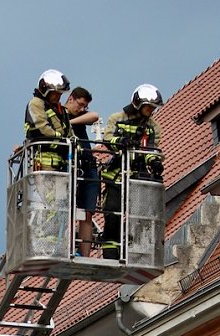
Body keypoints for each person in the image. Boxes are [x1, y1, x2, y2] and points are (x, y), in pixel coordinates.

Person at [101, 83, 164, 259]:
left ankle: (134, 252)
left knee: (138, 217)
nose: (151, 110)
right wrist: (121, 141)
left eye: (153, 107)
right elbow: (107, 139)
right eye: (148, 106)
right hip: (116, 175)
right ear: (138, 103)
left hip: (138, 178)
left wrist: (155, 162)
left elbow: (150, 150)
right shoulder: (117, 118)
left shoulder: (153, 127)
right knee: (112, 215)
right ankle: (110, 253)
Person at [65, 86, 100, 256]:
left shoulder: (77, 117)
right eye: (80, 105)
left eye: (84, 106)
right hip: (67, 166)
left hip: (87, 165)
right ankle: (66, 250)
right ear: (70, 99)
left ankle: (84, 255)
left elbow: (94, 116)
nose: (82, 109)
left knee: (87, 212)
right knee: (66, 210)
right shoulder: (56, 113)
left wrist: (69, 122)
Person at [24, 69, 71, 171]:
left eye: (60, 94)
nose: (59, 96)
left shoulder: (60, 109)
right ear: (45, 89)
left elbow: (69, 132)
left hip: (62, 162)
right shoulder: (36, 103)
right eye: (55, 93)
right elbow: (42, 128)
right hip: (44, 163)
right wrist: (61, 138)